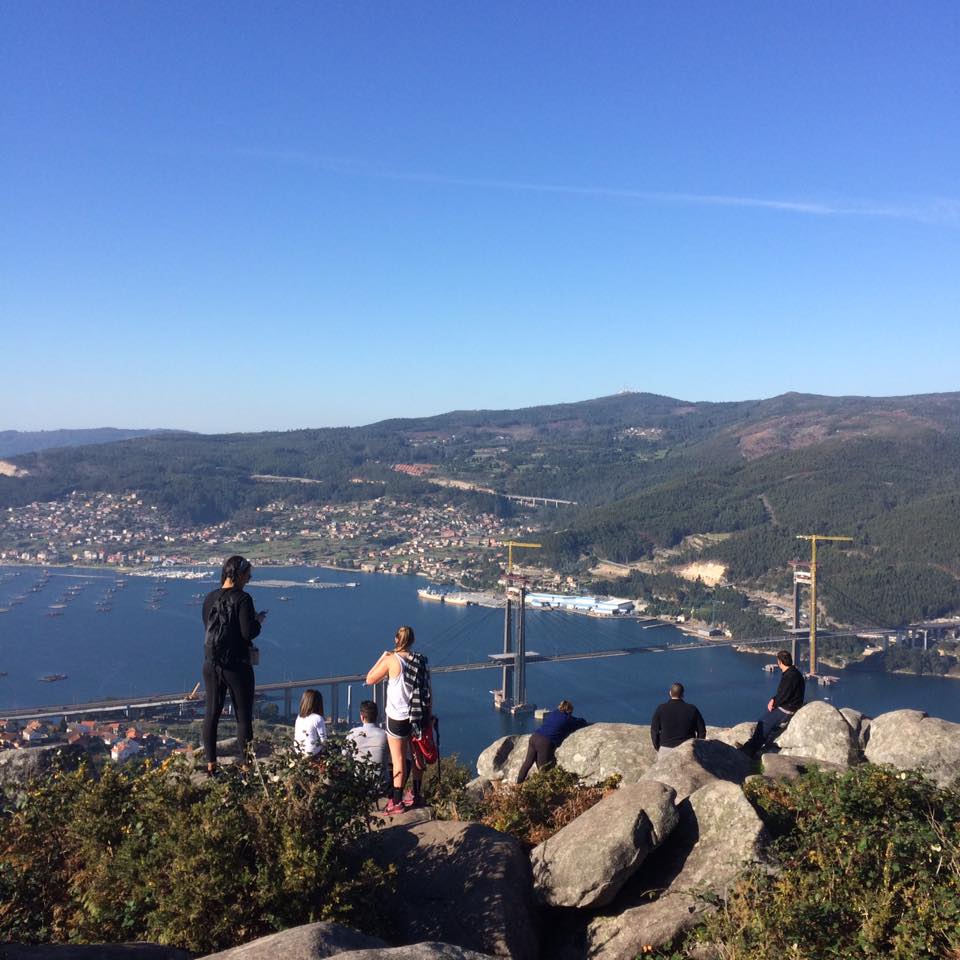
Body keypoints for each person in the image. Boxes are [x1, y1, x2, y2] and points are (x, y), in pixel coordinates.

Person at [201, 555, 267, 776]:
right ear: (239, 575)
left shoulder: (210, 597)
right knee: (243, 716)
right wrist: (258, 621)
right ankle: (246, 767)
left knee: (211, 713)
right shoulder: (243, 599)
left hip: (211, 663)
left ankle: (211, 766)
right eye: (248, 575)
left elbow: (208, 626)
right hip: (237, 665)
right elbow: (248, 632)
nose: (249, 579)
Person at [366, 625, 432, 814]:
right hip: (417, 715)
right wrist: (428, 716)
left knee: (398, 759)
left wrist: (382, 657)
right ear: (412, 640)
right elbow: (428, 690)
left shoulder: (391, 660)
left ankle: (396, 802)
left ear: (397, 639)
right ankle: (416, 794)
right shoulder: (420, 660)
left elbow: (370, 679)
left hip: (397, 718)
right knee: (417, 754)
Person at [741, 649, 805, 756]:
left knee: (763, 723)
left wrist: (774, 703)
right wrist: (774, 699)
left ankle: (750, 750)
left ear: (780, 662)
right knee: (766, 722)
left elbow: (784, 695)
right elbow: (784, 693)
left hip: (787, 709)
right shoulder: (794, 673)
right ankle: (751, 745)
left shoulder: (789, 676)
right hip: (791, 705)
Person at [516, 699, 587, 784]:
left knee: (527, 763)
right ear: (569, 710)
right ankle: (542, 788)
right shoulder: (567, 719)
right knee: (544, 769)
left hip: (534, 737)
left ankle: (518, 783)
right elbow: (578, 723)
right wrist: (583, 721)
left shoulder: (554, 713)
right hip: (544, 742)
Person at [650, 682, 706, 757]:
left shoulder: (661, 708)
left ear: (670, 693)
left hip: (665, 749)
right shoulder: (692, 709)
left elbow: (654, 731)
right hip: (687, 750)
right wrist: (697, 747)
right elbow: (701, 731)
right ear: (682, 694)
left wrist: (658, 747)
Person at [345, 699, 389, 787]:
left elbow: (345, 754)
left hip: (358, 783)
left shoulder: (353, 734)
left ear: (362, 717)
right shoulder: (385, 735)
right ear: (377, 716)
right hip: (381, 784)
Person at [294, 689, 327, 757]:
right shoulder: (318, 718)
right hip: (312, 752)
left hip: (298, 750)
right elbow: (324, 740)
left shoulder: (299, 717)